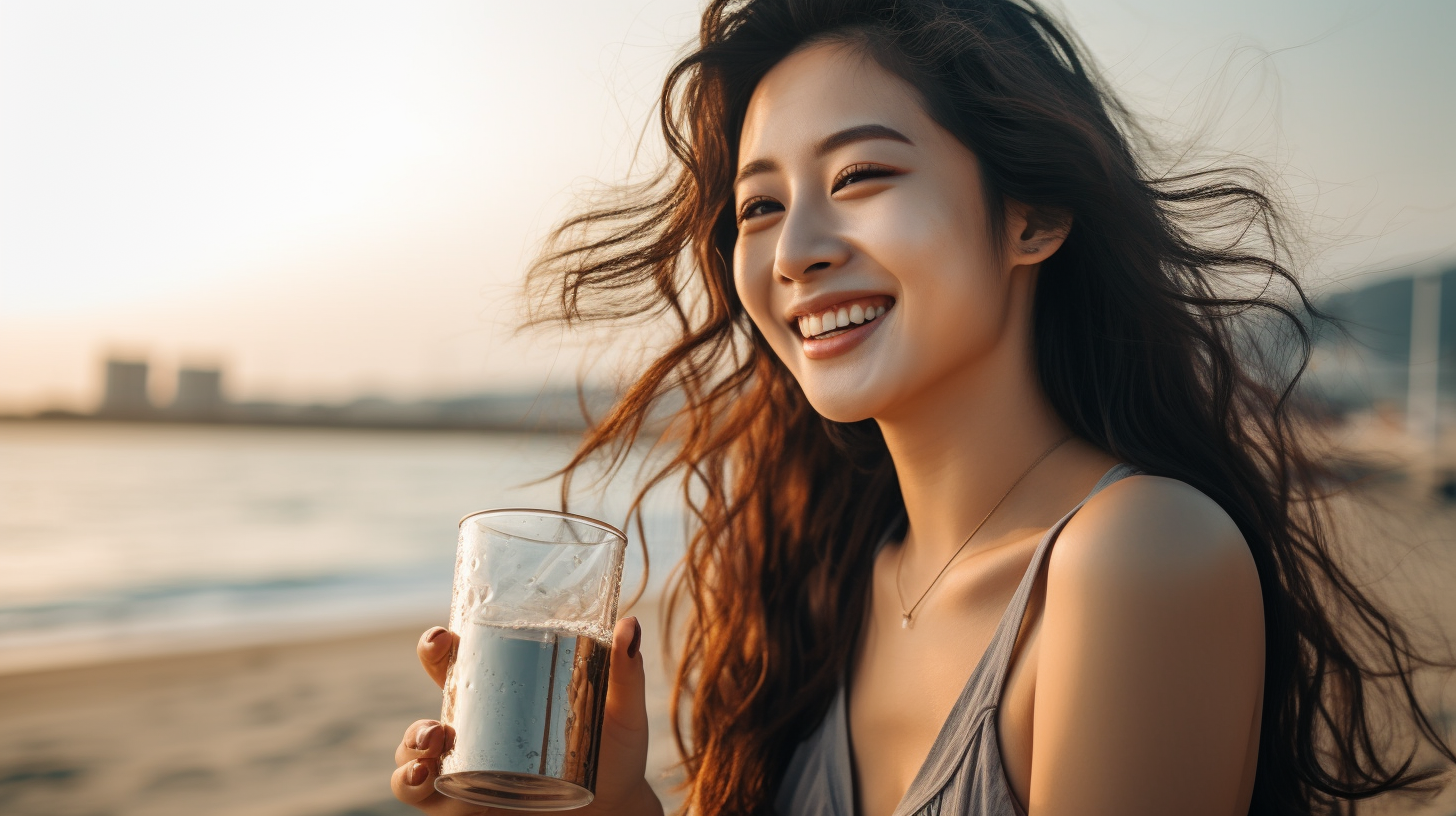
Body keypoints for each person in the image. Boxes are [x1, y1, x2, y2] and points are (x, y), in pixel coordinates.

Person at [391, 1, 1453, 814]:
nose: (796, 250)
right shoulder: (822, 581)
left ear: (1030, 216)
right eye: (759, 206)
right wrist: (616, 805)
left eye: (860, 176)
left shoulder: (1138, 556)